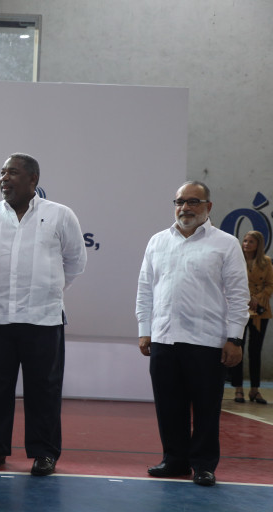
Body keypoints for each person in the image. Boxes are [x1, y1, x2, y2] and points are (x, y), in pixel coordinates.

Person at [0, 153, 86, 476]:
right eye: (2, 173)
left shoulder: (60, 215)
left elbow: (75, 262)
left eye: (13, 173)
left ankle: (44, 453)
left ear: (33, 179)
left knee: (44, 389)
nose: (4, 178)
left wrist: (47, 289)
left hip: (43, 319)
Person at [136, 181, 248, 487]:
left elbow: (239, 295)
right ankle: (174, 460)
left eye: (193, 201)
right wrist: (145, 330)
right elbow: (145, 289)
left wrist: (235, 338)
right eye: (180, 201)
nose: (185, 207)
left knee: (206, 409)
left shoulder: (226, 244)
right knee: (168, 406)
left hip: (207, 341)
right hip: (164, 338)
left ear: (208, 207)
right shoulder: (158, 241)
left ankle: (203, 465)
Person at [229, 230, 272, 404]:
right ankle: (238, 388)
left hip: (260, 311)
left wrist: (258, 299)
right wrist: (248, 298)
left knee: (255, 351)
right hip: (241, 309)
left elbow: (270, 285)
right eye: (245, 241)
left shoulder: (266, 262)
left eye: (251, 241)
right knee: (237, 347)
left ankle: (255, 389)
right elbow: (232, 283)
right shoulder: (236, 259)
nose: (246, 244)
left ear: (258, 245)